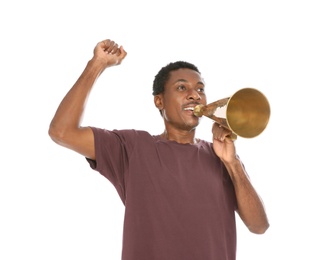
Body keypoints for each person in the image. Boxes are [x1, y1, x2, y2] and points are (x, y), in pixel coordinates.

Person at [49, 39, 269, 260]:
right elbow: (62, 132)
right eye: (182, 87)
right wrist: (96, 65)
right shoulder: (133, 147)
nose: (195, 95)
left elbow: (259, 226)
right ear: (159, 101)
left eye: (200, 89)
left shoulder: (223, 157)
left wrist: (232, 163)